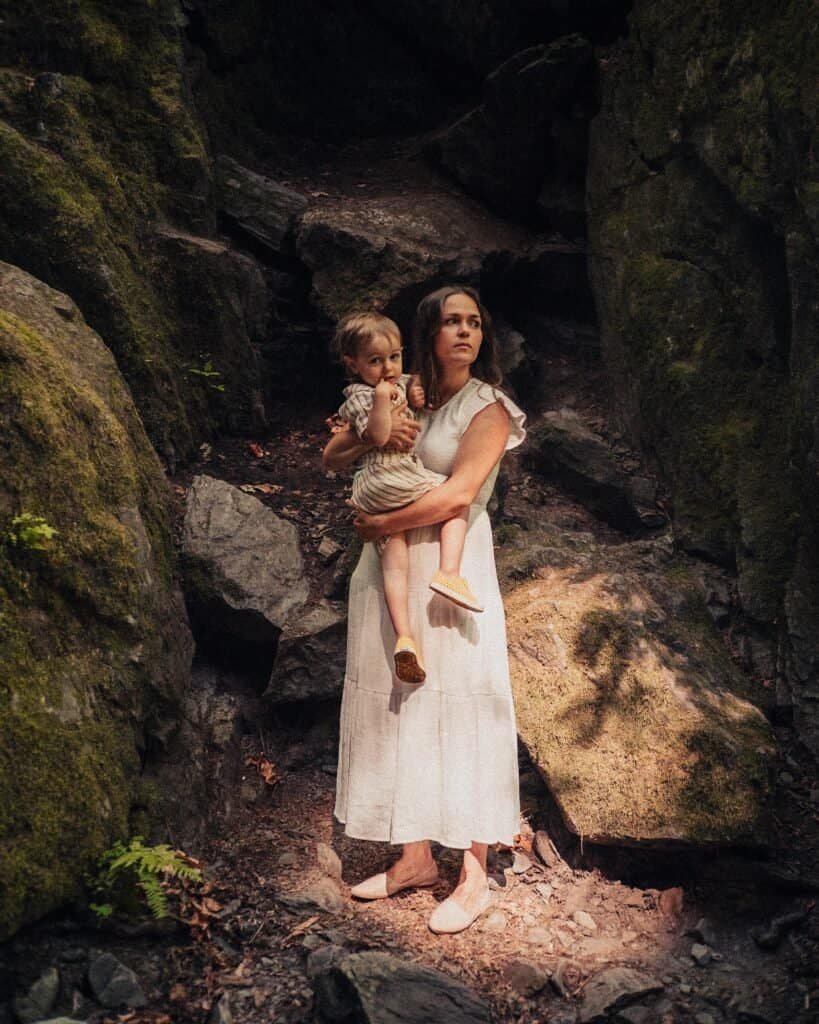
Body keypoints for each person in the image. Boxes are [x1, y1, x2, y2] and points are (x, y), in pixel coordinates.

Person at [323, 285, 526, 934]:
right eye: (451, 322)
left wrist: (378, 523)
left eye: (475, 322)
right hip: (388, 570)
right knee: (399, 701)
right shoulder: (405, 394)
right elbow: (339, 452)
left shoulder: (488, 407)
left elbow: (459, 495)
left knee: (463, 704)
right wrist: (368, 442)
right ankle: (413, 856)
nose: (465, 332)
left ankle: (472, 873)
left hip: (448, 567)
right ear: (427, 334)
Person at [332, 312, 484, 685]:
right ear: (352, 365)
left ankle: (405, 638)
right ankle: (449, 573)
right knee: (456, 501)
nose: (387, 368)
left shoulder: (397, 382)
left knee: (394, 556)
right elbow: (377, 435)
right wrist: (383, 401)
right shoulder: (361, 395)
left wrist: (412, 389)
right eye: (375, 360)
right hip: (388, 475)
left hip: (376, 491)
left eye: (394, 357)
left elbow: (416, 390)